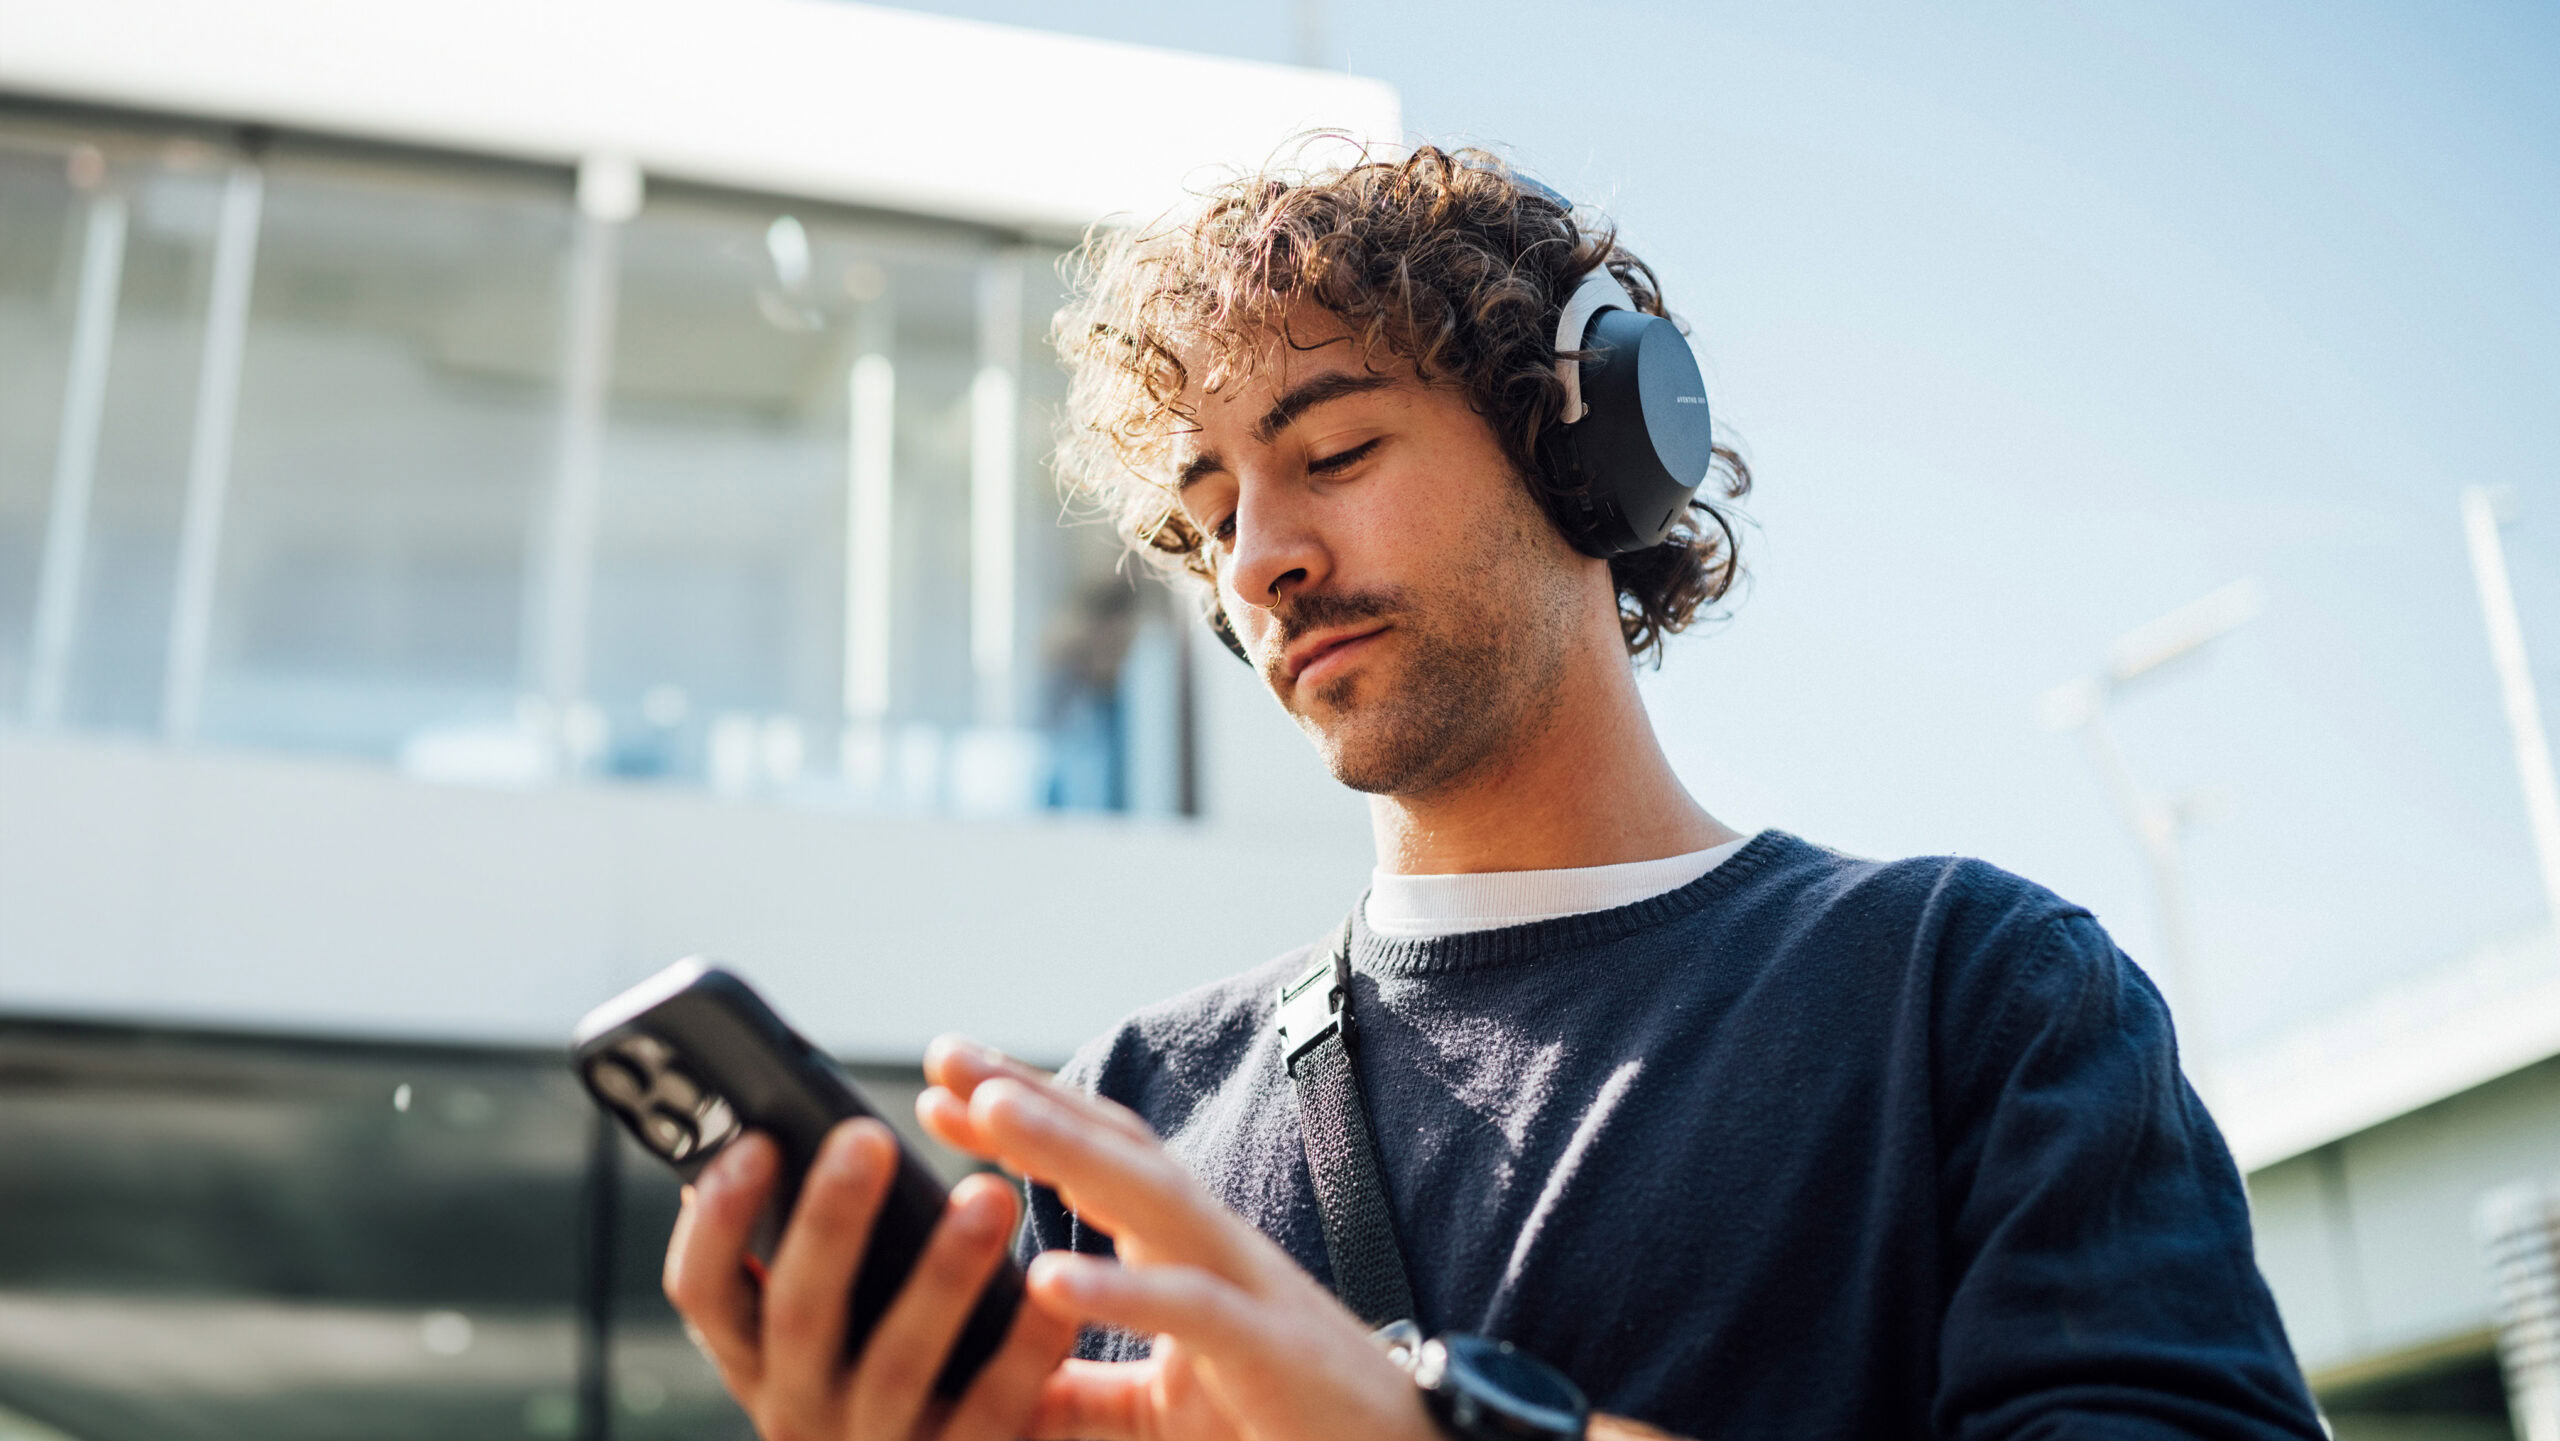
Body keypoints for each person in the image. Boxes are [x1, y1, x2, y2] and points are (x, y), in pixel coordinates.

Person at [662, 146, 2326, 1441]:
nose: (1263, 560)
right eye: (1213, 506)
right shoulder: (1127, 1114)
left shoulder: (1966, 992)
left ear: (1590, 449)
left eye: (1334, 452)